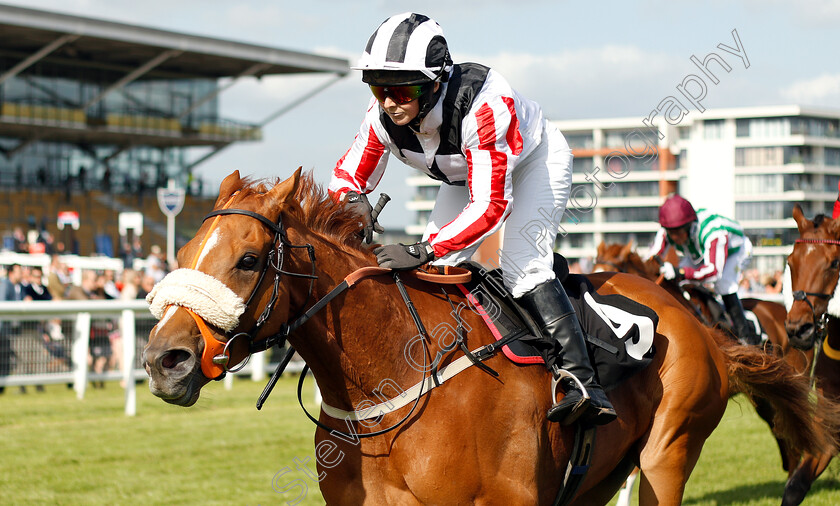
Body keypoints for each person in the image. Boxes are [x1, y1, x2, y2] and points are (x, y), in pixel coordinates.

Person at [328, 13, 614, 426]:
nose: (389, 101)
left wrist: (422, 249)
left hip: (534, 162)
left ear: (435, 82)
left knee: (521, 264)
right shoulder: (380, 115)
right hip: (467, 170)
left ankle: (583, 382)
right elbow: (347, 175)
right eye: (379, 87)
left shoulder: (484, 107)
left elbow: (491, 206)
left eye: (403, 89)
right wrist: (351, 201)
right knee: (437, 269)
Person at [646, 194, 759, 345]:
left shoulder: (713, 233)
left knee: (723, 284)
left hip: (736, 252)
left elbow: (713, 272)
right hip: (700, 253)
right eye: (671, 232)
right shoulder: (667, 231)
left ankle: (745, 338)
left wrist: (680, 272)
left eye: (679, 232)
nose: (675, 237)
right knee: (681, 280)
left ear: (689, 226)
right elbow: (651, 259)